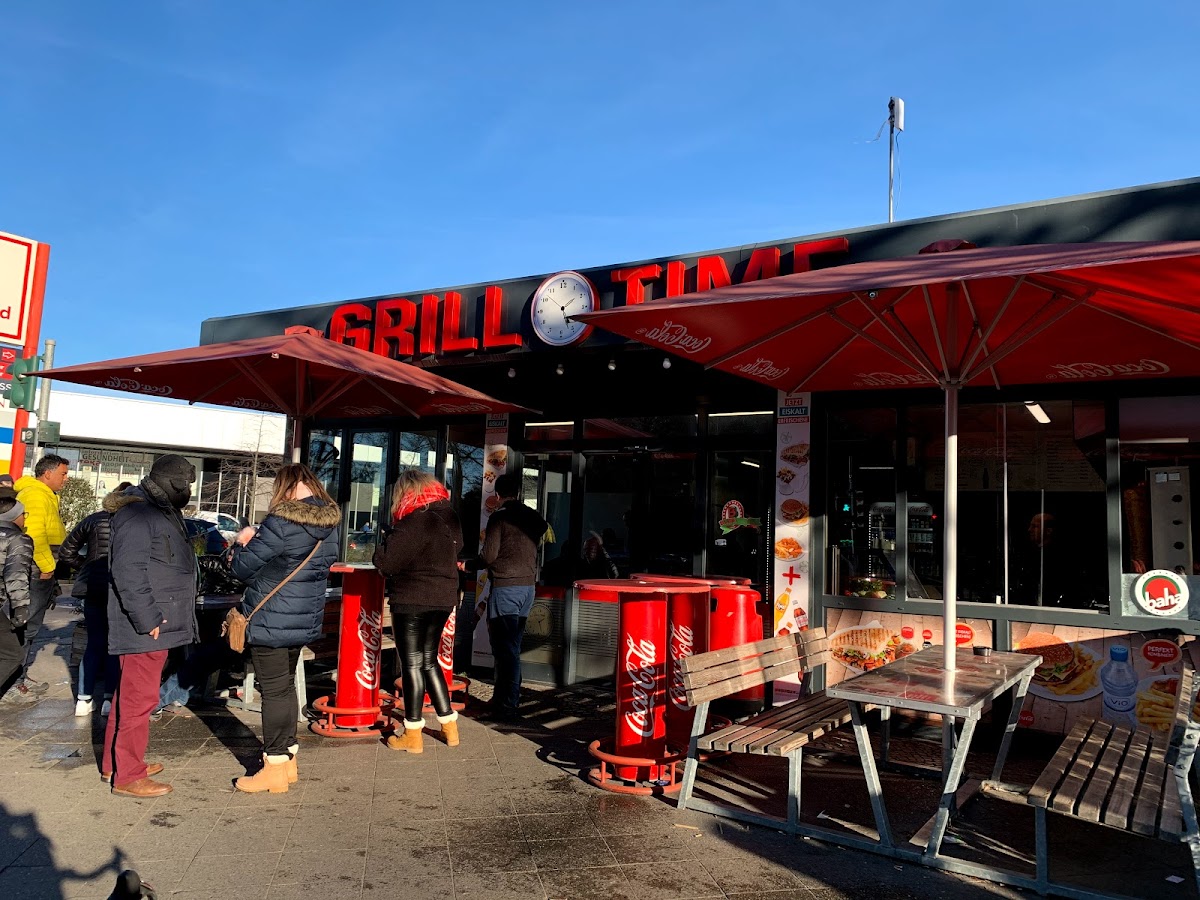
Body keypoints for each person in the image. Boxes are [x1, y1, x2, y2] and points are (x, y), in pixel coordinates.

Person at [228, 463, 339, 794]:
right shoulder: (330, 524)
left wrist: (243, 542)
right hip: (303, 617)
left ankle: (274, 766)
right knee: (285, 687)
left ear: (287, 488)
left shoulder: (280, 522)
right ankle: (288, 759)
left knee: (274, 691)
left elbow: (242, 569)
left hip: (271, 618)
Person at [103, 455, 200, 798]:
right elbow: (127, 570)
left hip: (156, 620)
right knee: (139, 700)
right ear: (172, 483)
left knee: (129, 696)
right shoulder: (139, 513)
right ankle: (128, 775)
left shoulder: (157, 509)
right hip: (147, 624)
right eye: (186, 485)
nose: (189, 492)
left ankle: (114, 764)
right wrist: (147, 618)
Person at [373, 470, 463, 753]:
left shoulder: (412, 522)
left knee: (411, 664)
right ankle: (449, 726)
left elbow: (387, 564)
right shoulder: (447, 519)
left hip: (412, 598)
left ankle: (412, 733)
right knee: (429, 661)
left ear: (406, 493)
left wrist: (383, 543)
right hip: (444, 597)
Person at [460, 473, 547, 721]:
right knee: (512, 645)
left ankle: (507, 705)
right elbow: (542, 528)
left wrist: (467, 566)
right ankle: (504, 699)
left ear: (497, 495)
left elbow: (488, 556)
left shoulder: (499, 518)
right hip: (527, 587)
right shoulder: (532, 516)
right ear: (518, 493)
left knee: (504, 649)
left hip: (506, 587)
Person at [58, 481, 134, 717]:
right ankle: (109, 699)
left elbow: (66, 551)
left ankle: (83, 698)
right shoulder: (134, 522)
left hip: (93, 588)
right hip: (120, 588)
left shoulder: (93, 520)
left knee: (94, 643)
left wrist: (86, 567)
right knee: (115, 644)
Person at [8, 454, 69, 700]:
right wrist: (46, 565)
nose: (66, 478)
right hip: (36, 568)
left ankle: (19, 676)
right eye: (63, 474)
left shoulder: (46, 495)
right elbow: (33, 535)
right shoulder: (35, 495)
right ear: (48, 473)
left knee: (30, 628)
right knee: (25, 626)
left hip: (40, 567)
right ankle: (12, 682)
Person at [0, 489, 33, 703]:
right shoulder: (19, 539)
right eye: (23, 514)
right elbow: (16, 574)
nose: (24, 518)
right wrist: (21, 608)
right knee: (13, 654)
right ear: (14, 517)